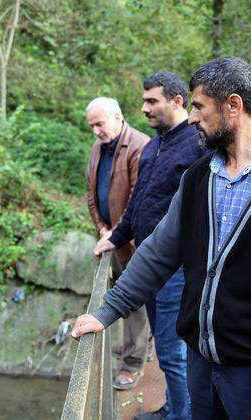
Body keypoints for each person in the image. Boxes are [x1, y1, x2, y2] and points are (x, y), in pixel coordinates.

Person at [72, 56, 251, 420]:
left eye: (199, 106)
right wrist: (106, 312)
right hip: (202, 368)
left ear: (233, 106)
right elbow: (158, 252)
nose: (194, 117)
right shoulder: (200, 174)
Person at [93, 72, 205, 420]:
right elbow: (139, 203)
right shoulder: (155, 145)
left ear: (177, 101)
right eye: (143, 101)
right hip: (151, 263)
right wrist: (114, 236)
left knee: (172, 352)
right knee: (165, 347)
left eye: (152, 101)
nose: (143, 108)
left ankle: (181, 416)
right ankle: (173, 408)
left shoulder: (197, 144)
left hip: (178, 268)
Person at [85, 96, 151, 390]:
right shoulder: (98, 148)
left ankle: (134, 362)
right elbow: (90, 191)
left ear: (117, 117)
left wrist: (116, 233)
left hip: (134, 241)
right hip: (110, 238)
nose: (96, 130)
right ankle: (130, 344)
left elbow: (139, 199)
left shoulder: (140, 145)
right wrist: (102, 229)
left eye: (99, 123)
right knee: (119, 295)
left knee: (134, 301)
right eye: (92, 126)